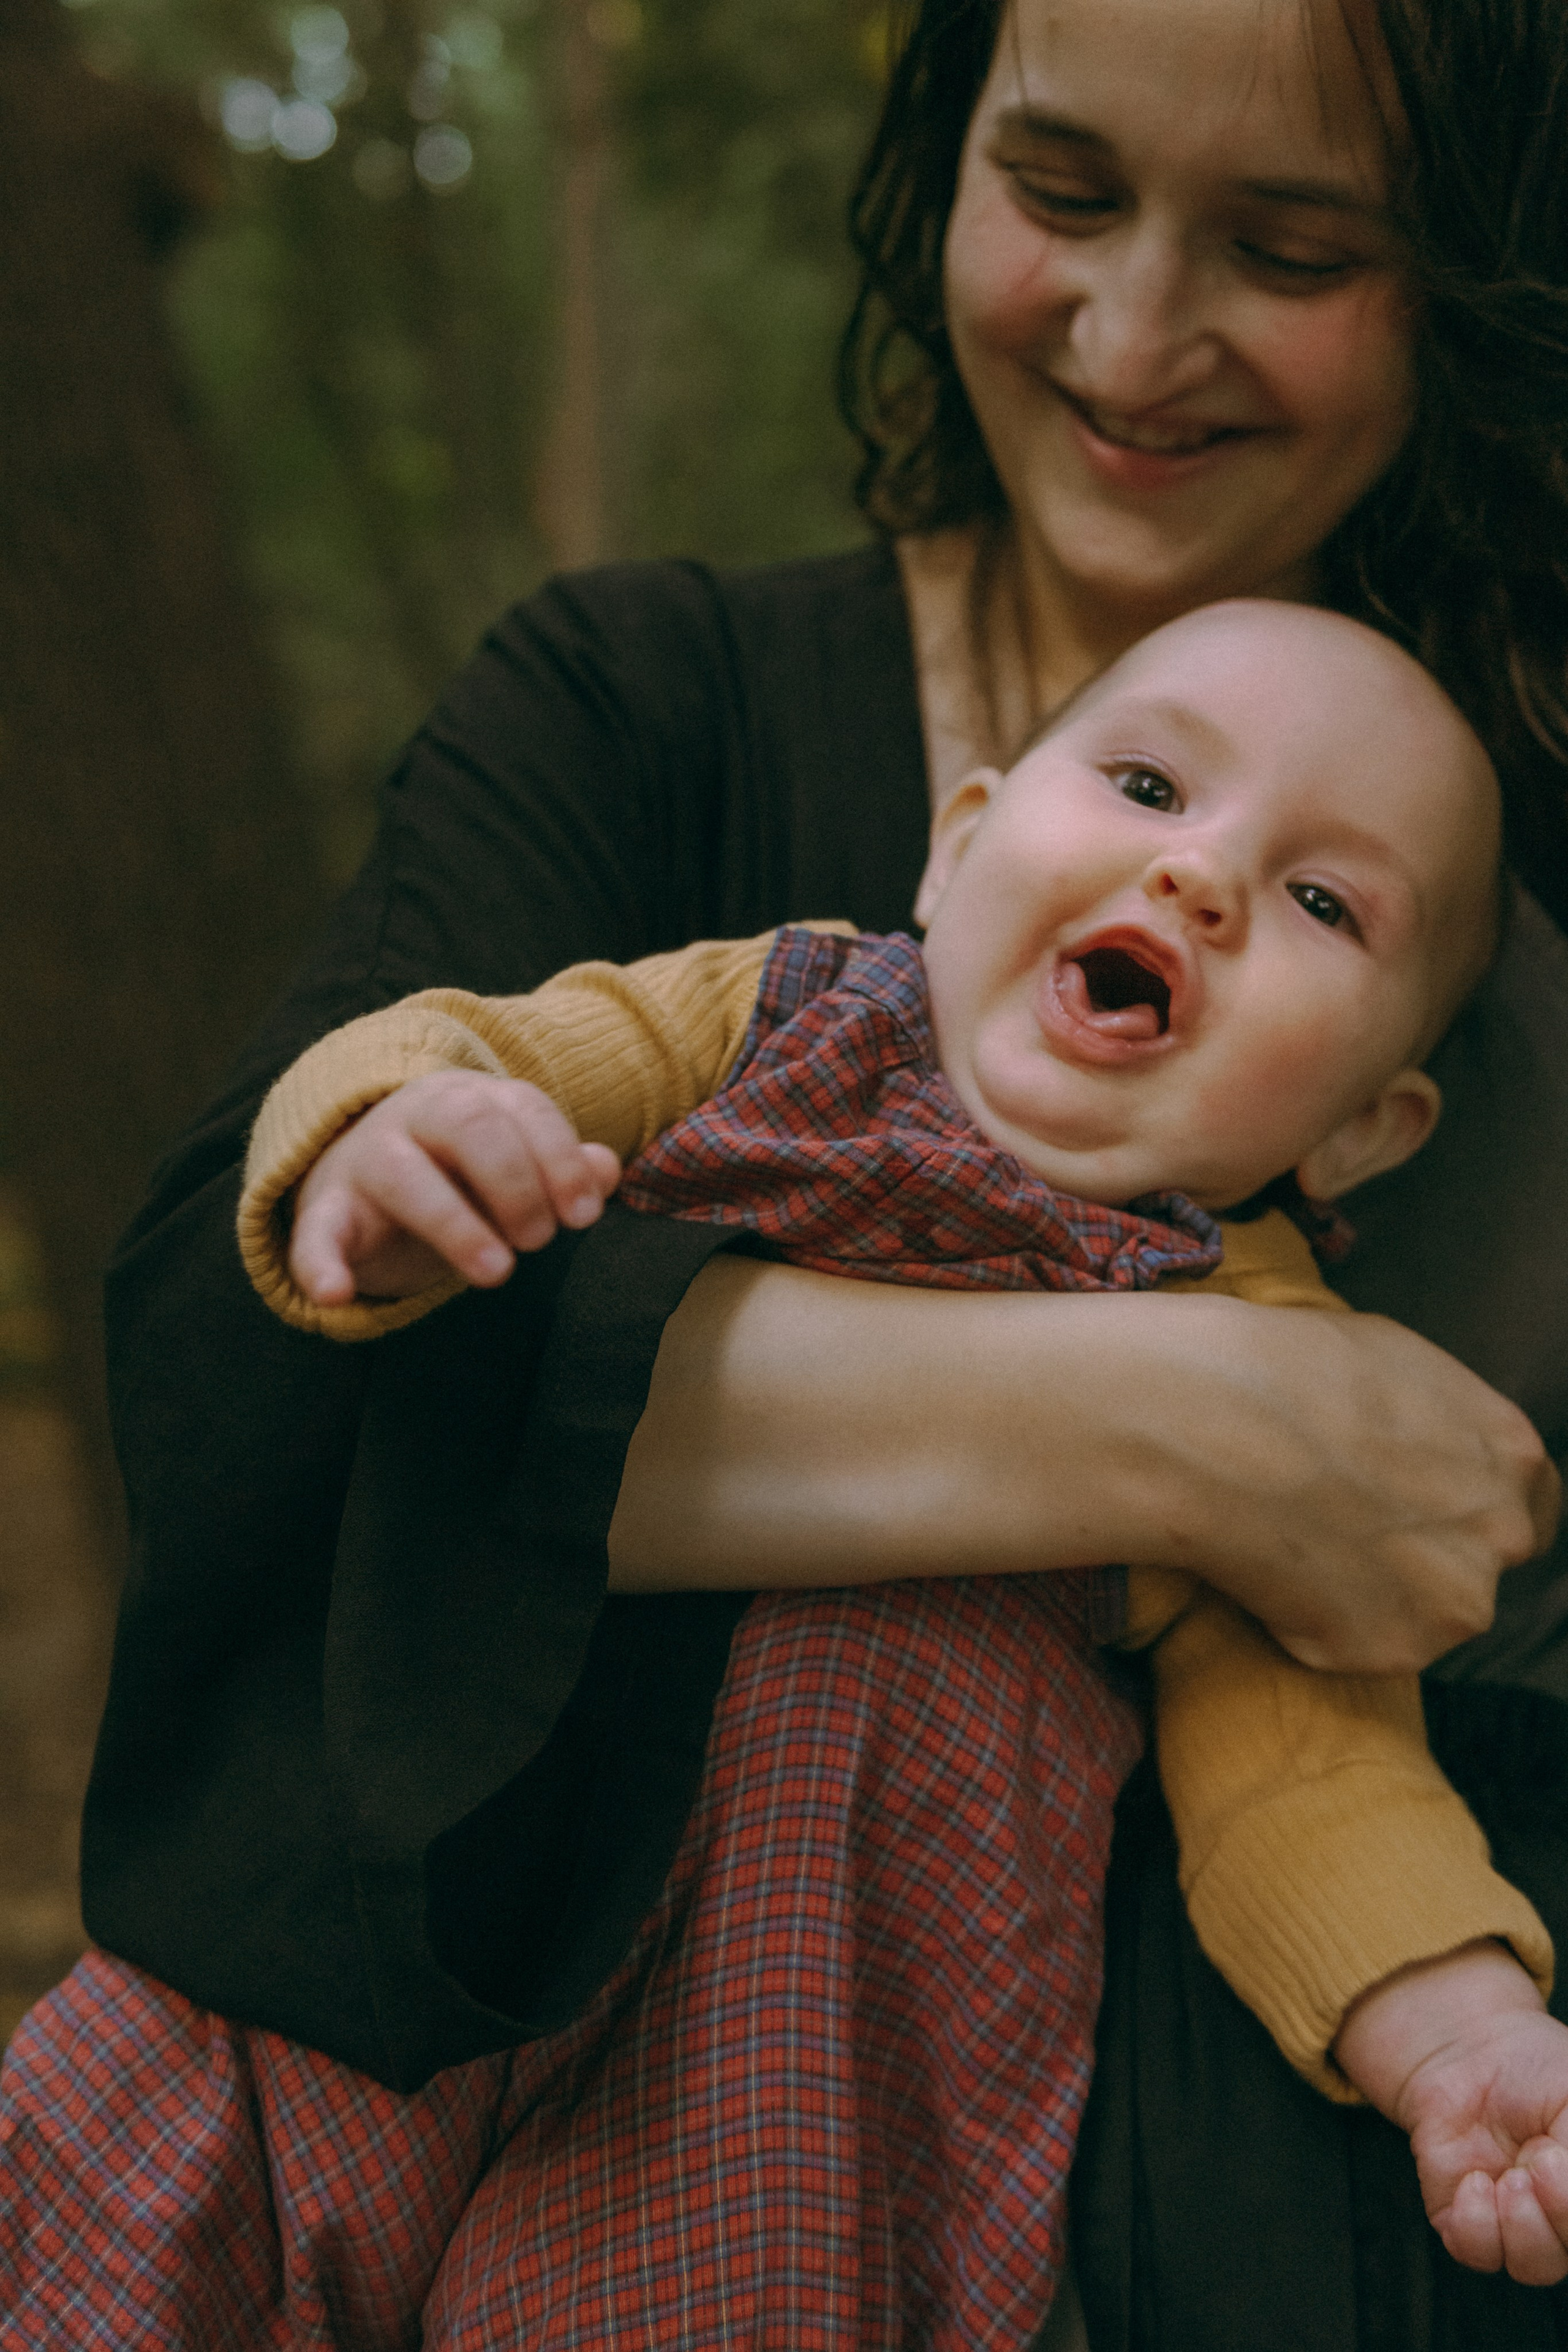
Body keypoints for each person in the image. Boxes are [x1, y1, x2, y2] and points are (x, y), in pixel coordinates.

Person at [1, 0, 1565, 2345]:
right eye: (1058, 194)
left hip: (839, 2184)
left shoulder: (1489, 912)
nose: (1136, 336)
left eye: (1291, 245)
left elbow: (1317, 1772)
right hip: (396, 2008)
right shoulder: (678, 779)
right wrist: (1226, 1437)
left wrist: (1459, 2027)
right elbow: (261, 1321)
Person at [238, 595, 1566, 2278]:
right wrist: (399, 1135)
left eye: (1321, 900)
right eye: (1152, 788)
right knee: (190, 2224)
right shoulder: (768, 1015)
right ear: (962, 848)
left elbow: (1315, 1775)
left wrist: (1460, 2038)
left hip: (789, 2056)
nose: (1200, 878)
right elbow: (469, 1047)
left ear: (1370, 1128)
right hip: (435, 1871)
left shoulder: (1287, 1376)